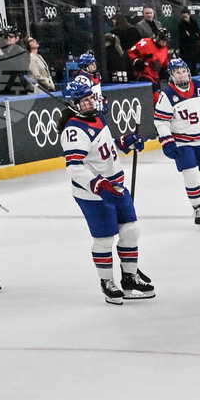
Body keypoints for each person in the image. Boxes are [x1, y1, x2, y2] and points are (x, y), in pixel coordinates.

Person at [59, 80, 152, 304]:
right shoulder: (73, 130)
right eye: (84, 100)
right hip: (93, 194)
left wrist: (125, 142)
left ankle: (129, 278)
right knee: (104, 239)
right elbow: (74, 168)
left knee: (131, 231)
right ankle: (107, 281)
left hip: (116, 186)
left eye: (90, 97)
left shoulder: (98, 118)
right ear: (73, 104)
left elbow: (106, 148)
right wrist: (99, 186)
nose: (90, 102)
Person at [154, 59, 200, 225]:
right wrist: (167, 140)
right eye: (177, 72)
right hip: (183, 142)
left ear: (188, 71)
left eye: (183, 71)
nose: (181, 75)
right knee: (191, 175)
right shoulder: (167, 95)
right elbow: (161, 121)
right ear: (171, 75)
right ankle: (197, 207)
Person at [128, 28, 170, 101]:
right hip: (143, 75)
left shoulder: (164, 49)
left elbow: (164, 64)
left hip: (155, 78)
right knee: (153, 97)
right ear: (157, 37)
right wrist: (136, 61)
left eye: (165, 41)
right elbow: (130, 52)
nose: (164, 42)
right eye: (162, 40)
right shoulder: (146, 42)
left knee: (159, 97)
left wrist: (166, 71)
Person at [177, 7, 200, 73]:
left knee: (194, 66)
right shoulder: (181, 25)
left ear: (189, 15)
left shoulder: (194, 23)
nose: (185, 17)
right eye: (183, 16)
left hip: (194, 49)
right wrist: (194, 36)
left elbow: (199, 35)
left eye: (186, 16)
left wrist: (191, 36)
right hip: (185, 50)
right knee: (187, 66)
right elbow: (184, 37)